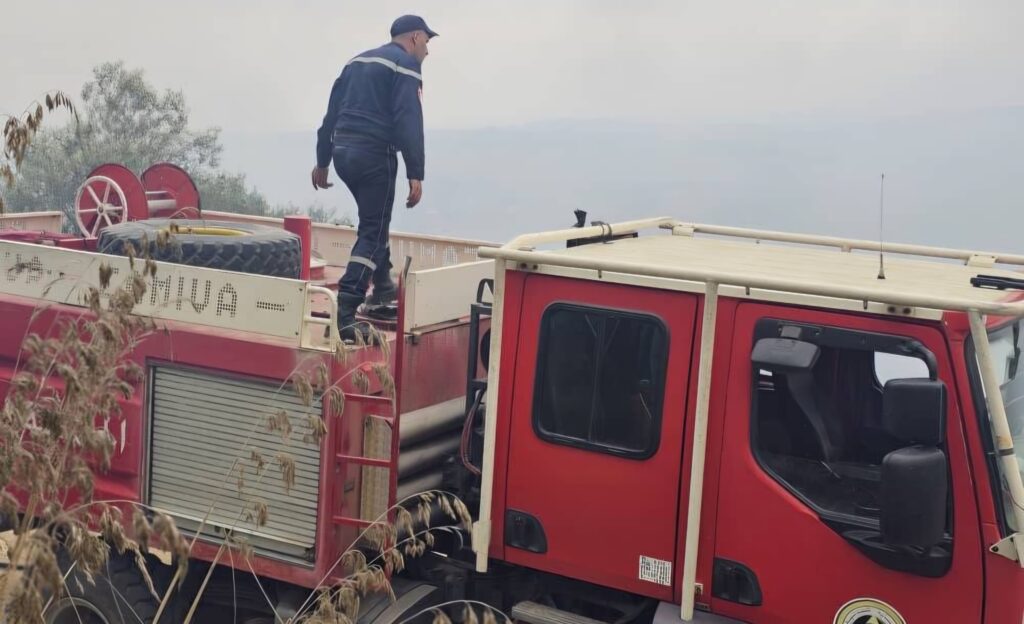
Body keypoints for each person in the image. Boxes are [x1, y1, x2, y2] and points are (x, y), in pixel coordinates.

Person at [312, 15, 437, 342]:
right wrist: (415, 172)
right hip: (374, 155)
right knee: (373, 229)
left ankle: (382, 287)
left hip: (343, 154)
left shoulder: (356, 61)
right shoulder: (406, 65)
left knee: (374, 218)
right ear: (414, 38)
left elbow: (330, 114)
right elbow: (409, 120)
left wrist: (322, 160)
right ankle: (346, 313)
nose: (427, 51)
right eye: (426, 42)